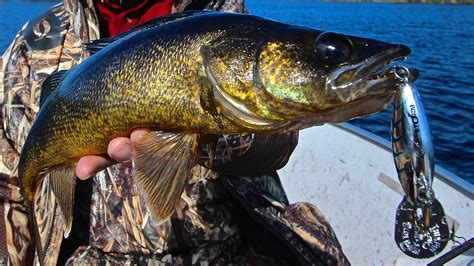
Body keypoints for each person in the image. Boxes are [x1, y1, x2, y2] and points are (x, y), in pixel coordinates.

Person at [0, 0, 349, 264]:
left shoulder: (223, 17)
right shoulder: (35, 45)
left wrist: (207, 136)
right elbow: (7, 189)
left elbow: (277, 144)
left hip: (221, 252)